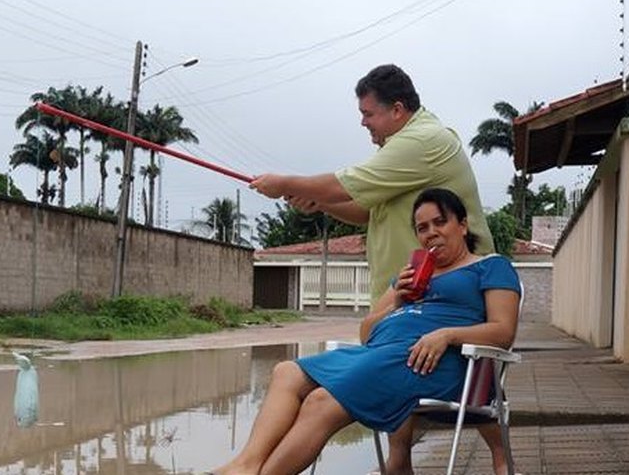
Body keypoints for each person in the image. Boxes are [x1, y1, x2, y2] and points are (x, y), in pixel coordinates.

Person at [250, 64, 500, 471]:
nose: (363, 122)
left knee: (468, 372)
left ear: (397, 109)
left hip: (451, 295)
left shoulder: (424, 140)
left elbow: (347, 183)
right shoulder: (398, 154)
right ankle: (393, 462)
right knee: (301, 376)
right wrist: (320, 202)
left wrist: (286, 182)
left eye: (368, 113)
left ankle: (498, 458)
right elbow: (364, 208)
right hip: (406, 292)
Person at [209, 188, 521, 475]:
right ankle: (246, 464)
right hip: (380, 354)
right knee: (286, 371)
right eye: (422, 228)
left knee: (321, 402)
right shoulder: (409, 276)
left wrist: (447, 335)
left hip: (431, 362)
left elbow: (503, 331)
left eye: (440, 222)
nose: (431, 233)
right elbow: (367, 331)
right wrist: (399, 298)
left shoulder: (490, 266)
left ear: (463, 225)